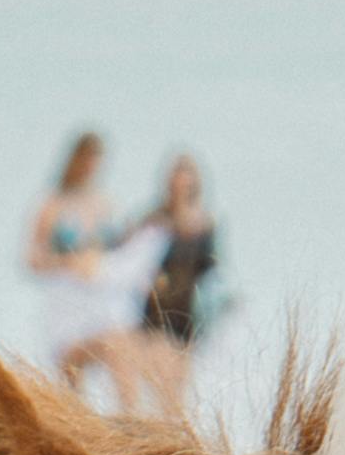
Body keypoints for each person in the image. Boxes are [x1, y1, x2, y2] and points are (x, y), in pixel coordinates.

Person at [18, 130, 152, 409]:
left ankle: (132, 419)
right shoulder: (52, 204)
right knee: (72, 374)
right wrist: (67, 262)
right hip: (66, 302)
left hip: (98, 298)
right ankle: (78, 423)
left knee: (119, 346)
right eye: (89, 160)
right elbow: (32, 259)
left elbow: (116, 252)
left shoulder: (103, 203)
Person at [105, 152, 217, 420]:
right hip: (151, 314)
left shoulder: (203, 224)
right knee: (136, 384)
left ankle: (167, 445)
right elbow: (122, 251)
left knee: (172, 399)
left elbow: (209, 269)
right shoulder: (154, 219)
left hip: (182, 317)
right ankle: (133, 434)